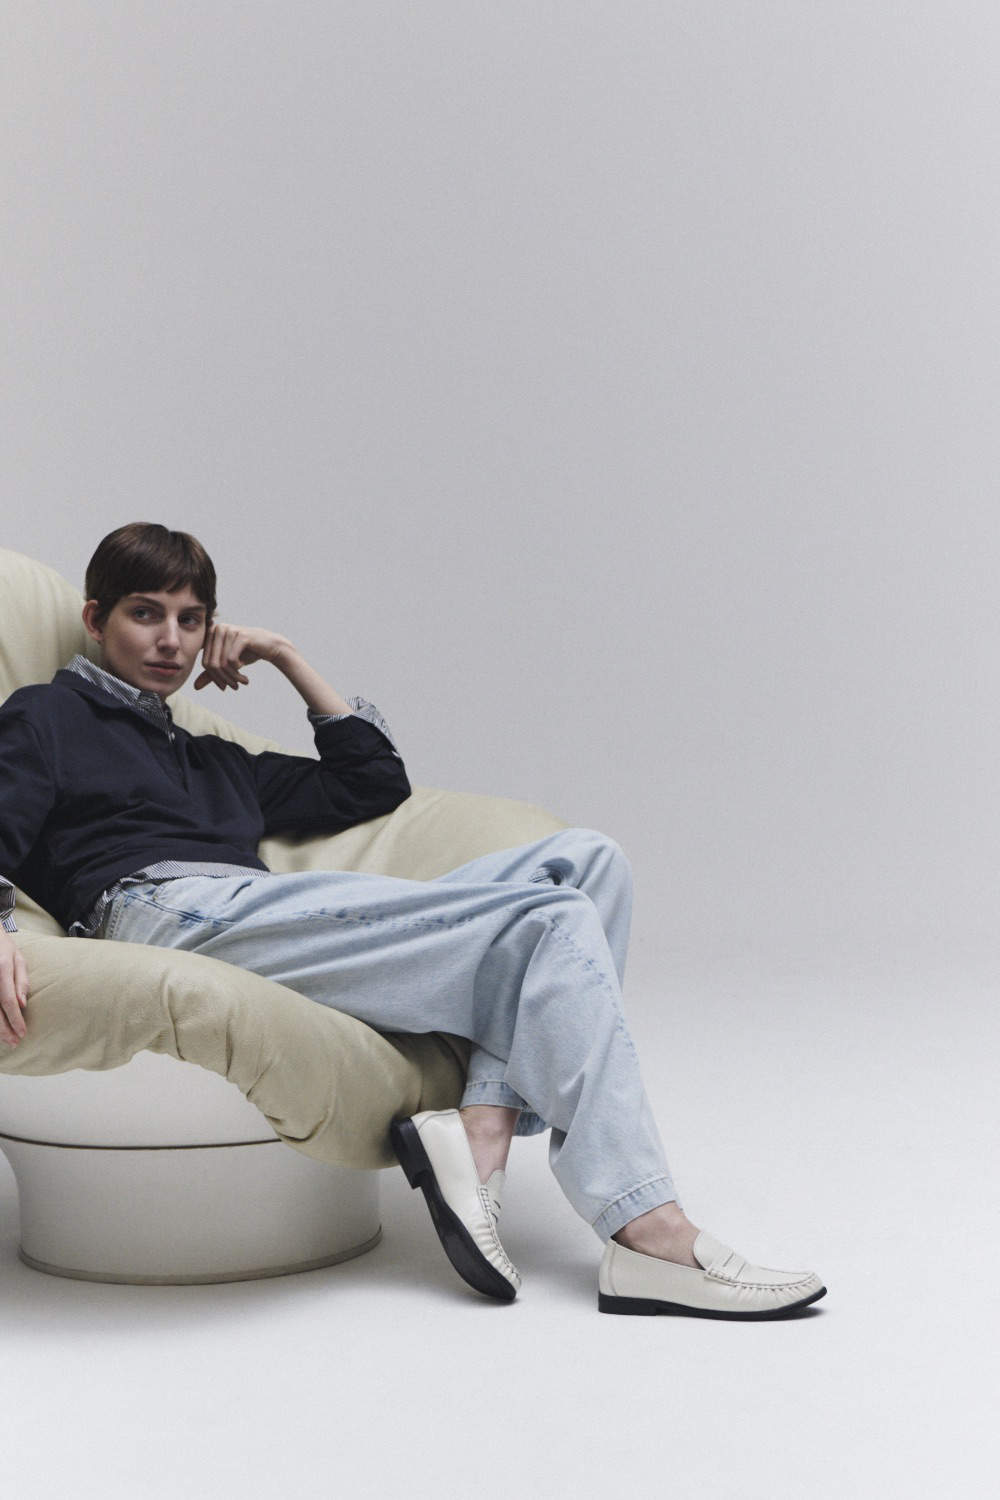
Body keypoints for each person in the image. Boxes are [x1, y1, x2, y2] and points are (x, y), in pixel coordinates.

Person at [0, 523, 826, 1318]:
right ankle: (647, 1228)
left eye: (192, 620)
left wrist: (285, 657)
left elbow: (370, 783)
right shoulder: (47, 715)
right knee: (551, 919)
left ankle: (481, 1127)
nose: (171, 641)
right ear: (95, 619)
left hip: (243, 910)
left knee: (589, 861)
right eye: (146, 613)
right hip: (160, 913)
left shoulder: (208, 757)